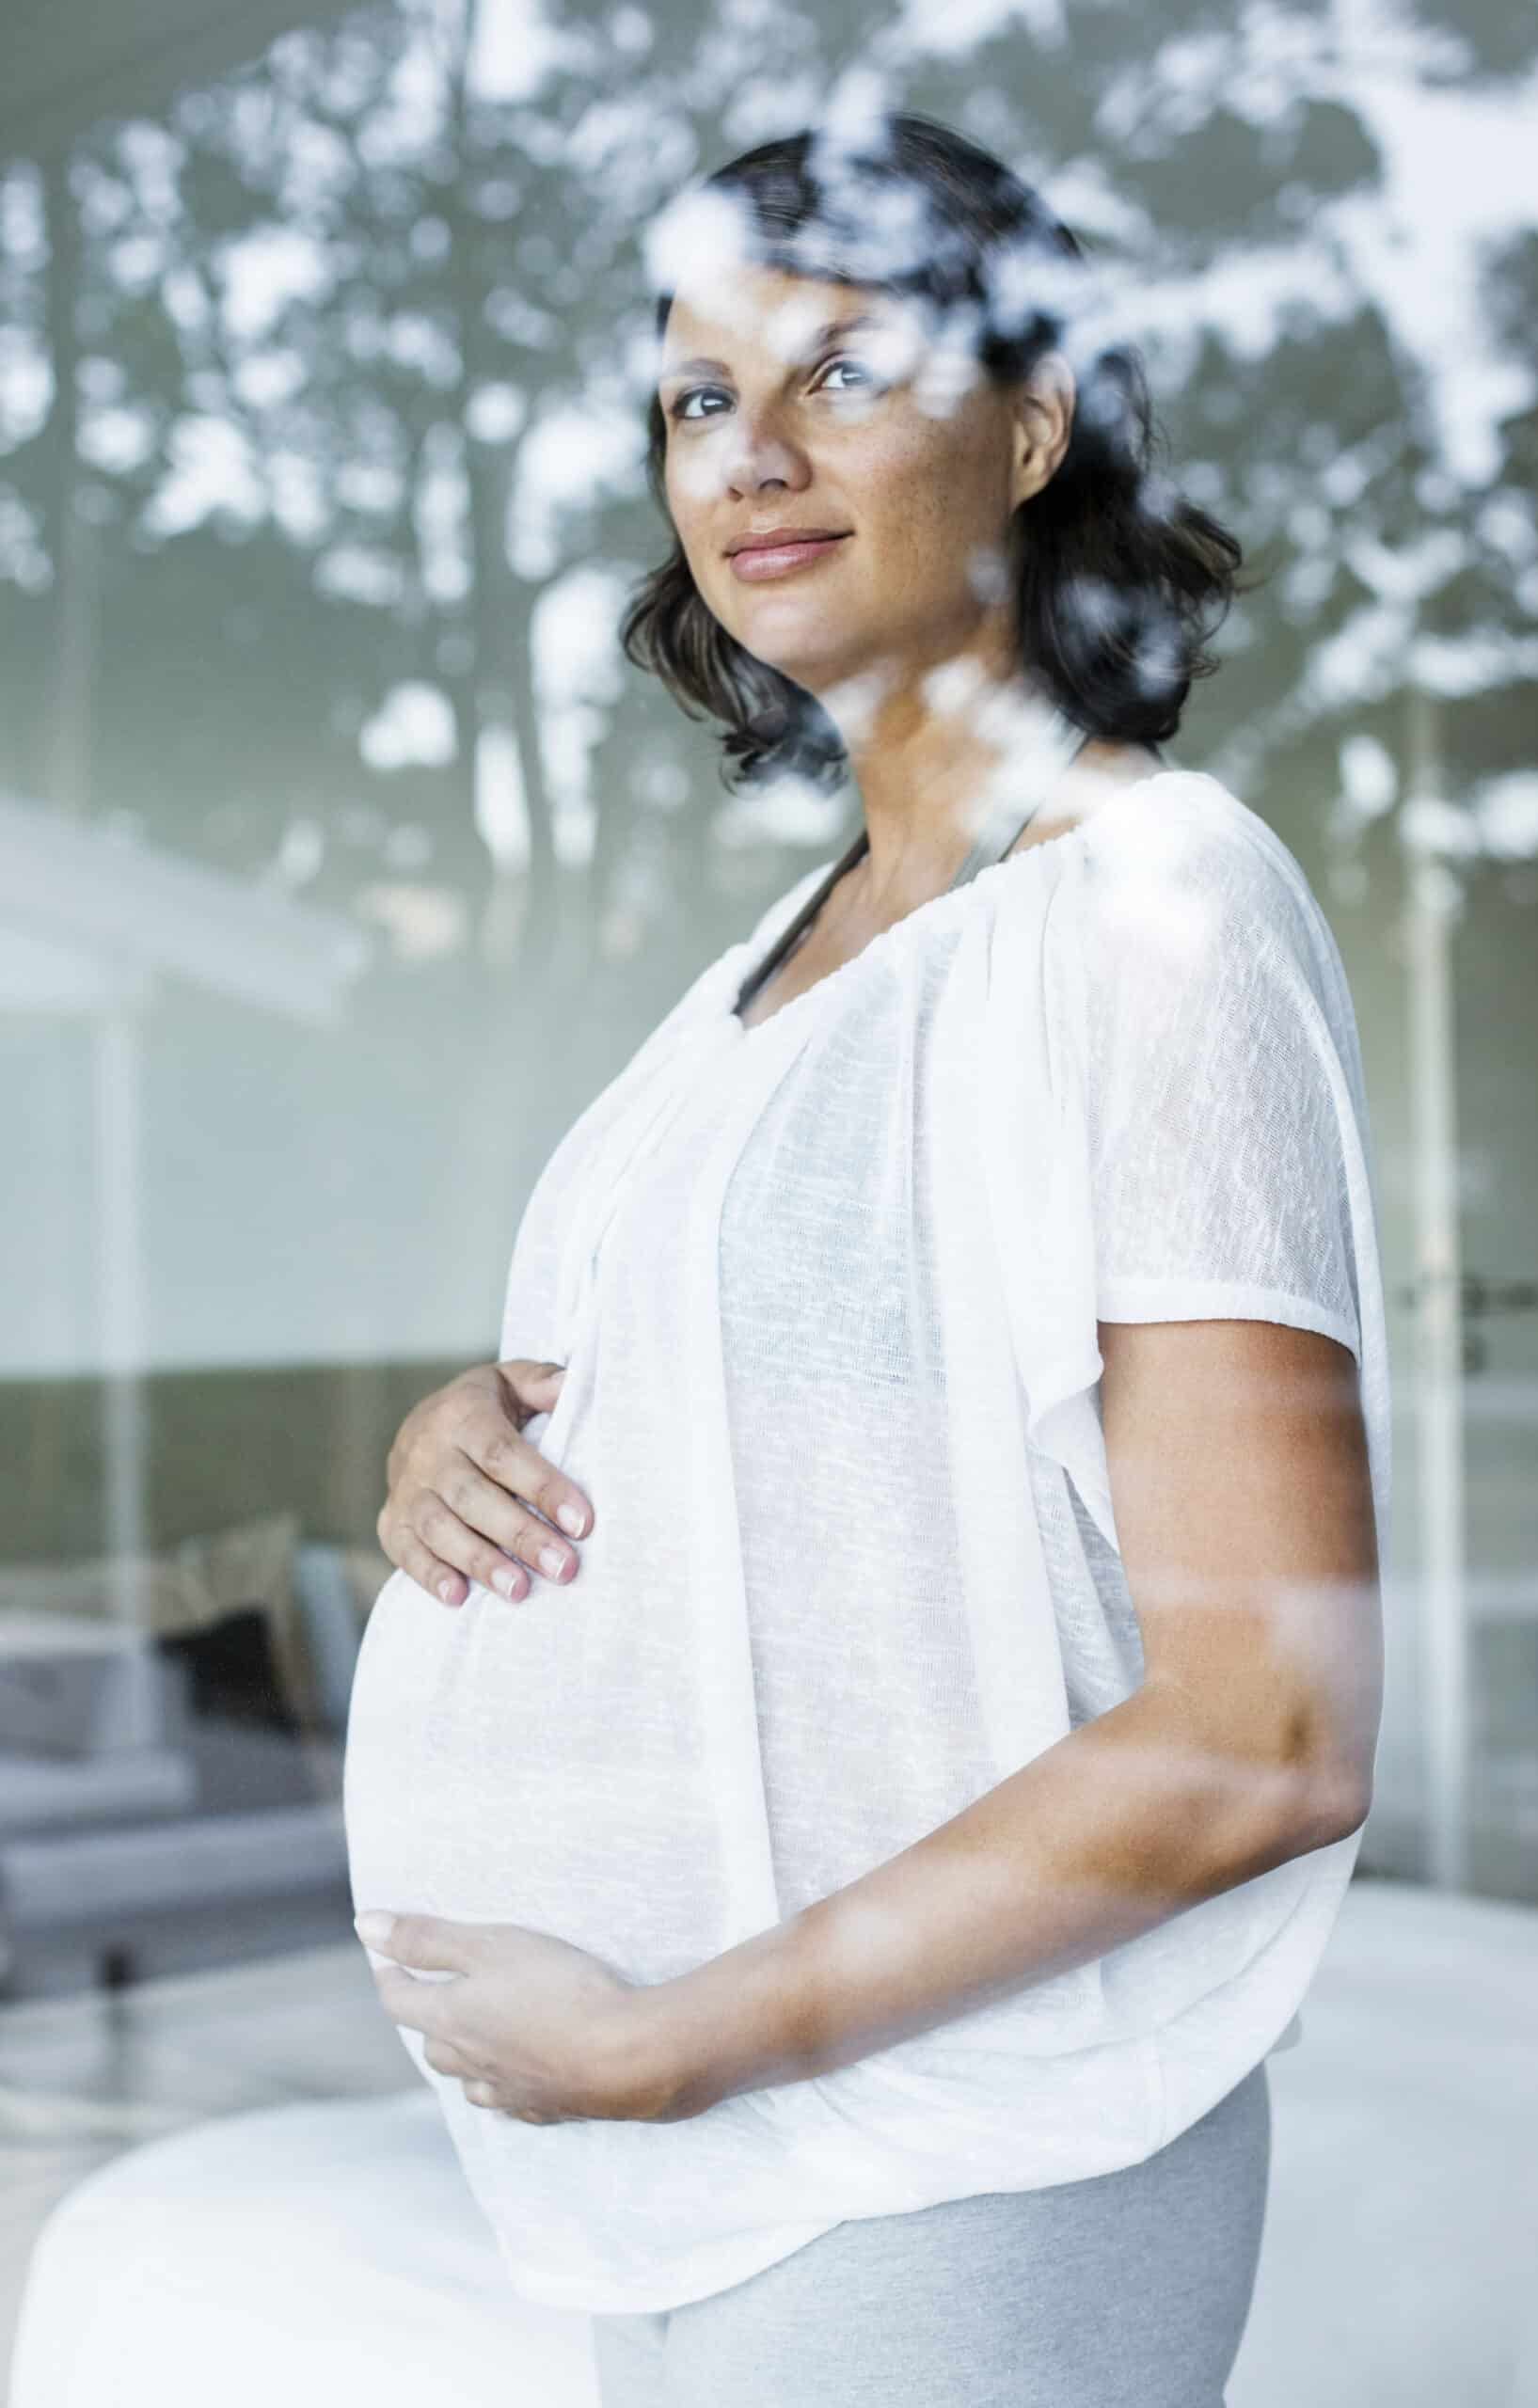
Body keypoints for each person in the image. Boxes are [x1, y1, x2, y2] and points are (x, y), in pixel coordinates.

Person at [342, 109, 1388, 2407]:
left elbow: (1268, 1723)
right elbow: (771, 1434)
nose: (753, 453)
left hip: (947, 2164)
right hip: (697, 2163)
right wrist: (460, 1443)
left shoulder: (1152, 902)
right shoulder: (751, 986)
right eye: (700, 400)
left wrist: (673, 2036)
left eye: (841, 370)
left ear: (1026, 427)